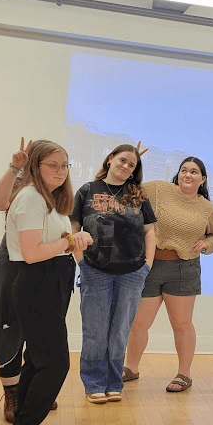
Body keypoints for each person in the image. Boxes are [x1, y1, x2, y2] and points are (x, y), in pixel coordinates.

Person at [4, 140, 92, 425]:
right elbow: (32, 254)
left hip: (52, 282)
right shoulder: (29, 198)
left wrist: (69, 243)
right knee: (56, 364)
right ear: (35, 167)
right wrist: (71, 240)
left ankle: (27, 424)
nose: (59, 171)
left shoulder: (49, 199)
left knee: (39, 361)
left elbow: (50, 247)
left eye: (64, 165)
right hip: (37, 283)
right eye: (52, 165)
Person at [123, 156, 213, 393]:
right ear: (178, 174)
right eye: (184, 170)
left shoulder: (207, 208)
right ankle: (131, 368)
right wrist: (132, 162)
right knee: (139, 323)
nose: (188, 175)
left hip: (183, 269)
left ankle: (184, 374)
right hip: (150, 265)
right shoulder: (159, 189)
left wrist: (207, 245)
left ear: (203, 179)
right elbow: (130, 189)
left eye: (194, 172)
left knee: (182, 324)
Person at [71, 144, 155, 404]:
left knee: (120, 330)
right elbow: (74, 228)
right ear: (110, 160)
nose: (125, 166)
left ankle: (113, 381)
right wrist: (81, 263)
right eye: (122, 160)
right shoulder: (87, 190)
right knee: (95, 329)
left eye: (131, 165)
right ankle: (94, 383)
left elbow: (150, 232)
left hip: (132, 273)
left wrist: (146, 267)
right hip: (95, 270)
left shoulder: (138, 196)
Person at [0, 138, 38, 423]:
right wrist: (14, 168)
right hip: (12, 264)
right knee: (7, 329)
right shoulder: (21, 184)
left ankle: (29, 391)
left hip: (44, 265)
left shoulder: (57, 191)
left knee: (37, 334)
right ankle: (12, 394)